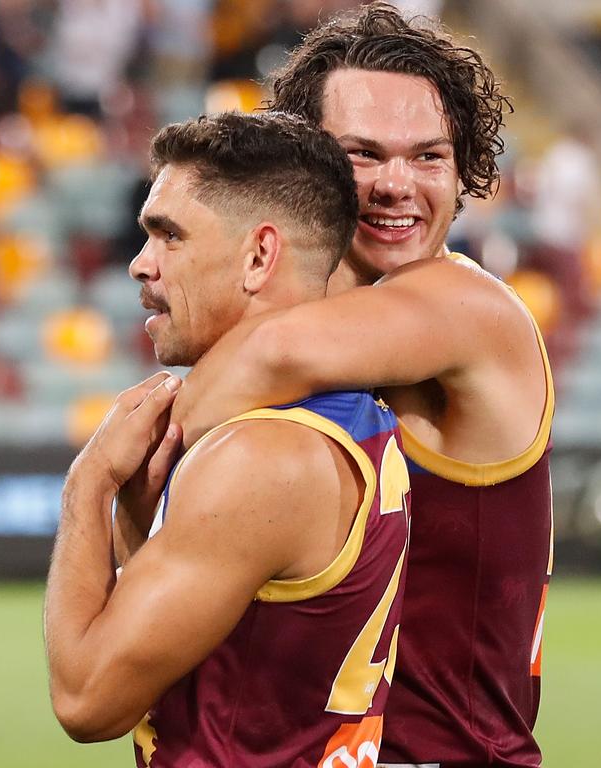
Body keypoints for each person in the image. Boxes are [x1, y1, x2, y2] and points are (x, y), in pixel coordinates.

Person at [173, 3, 554, 766]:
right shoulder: (332, 329)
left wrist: (138, 459)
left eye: (429, 157)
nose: (396, 185)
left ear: (464, 169)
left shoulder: (468, 308)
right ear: (308, 165)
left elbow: (264, 359)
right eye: (362, 153)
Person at [43, 111, 411, 767]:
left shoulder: (262, 458)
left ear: (259, 255)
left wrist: (86, 487)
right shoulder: (358, 413)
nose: (140, 264)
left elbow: (86, 701)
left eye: (169, 236)